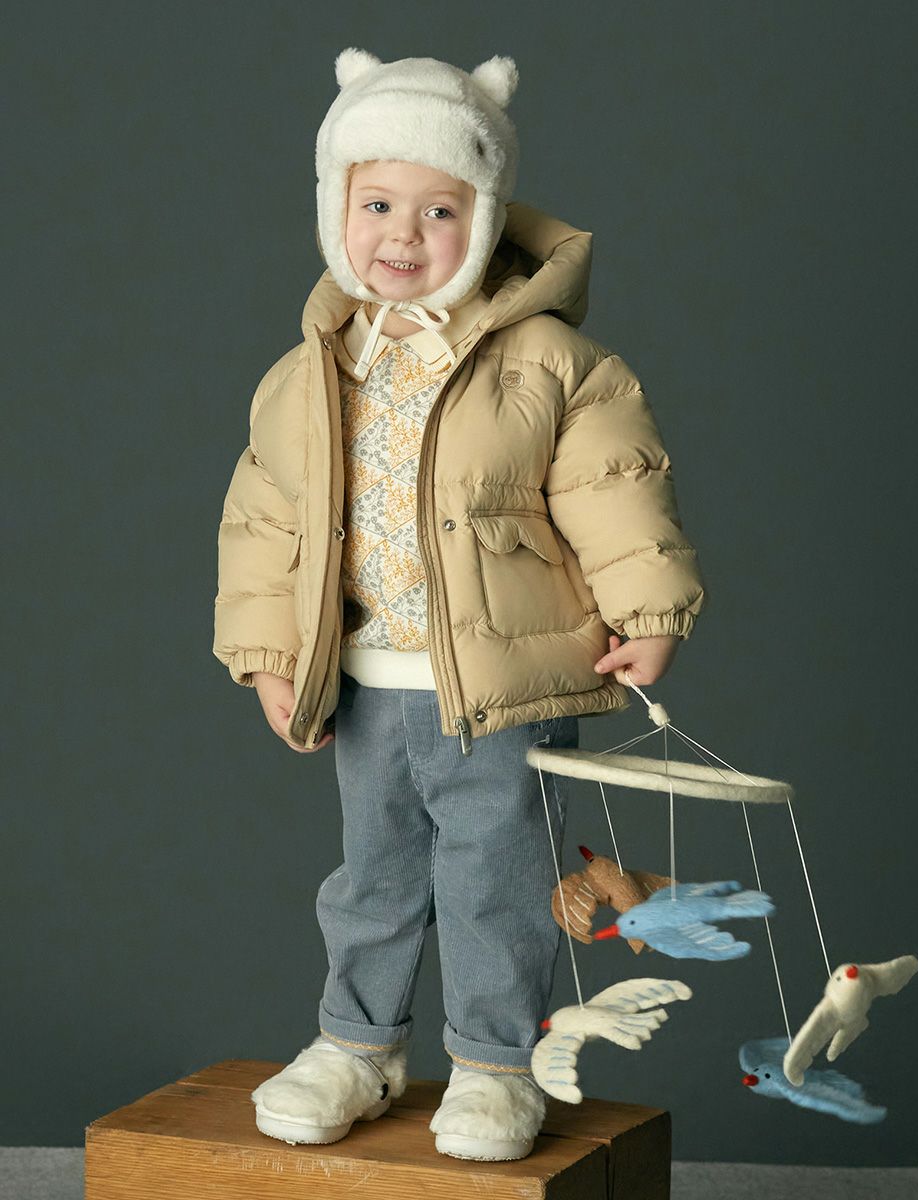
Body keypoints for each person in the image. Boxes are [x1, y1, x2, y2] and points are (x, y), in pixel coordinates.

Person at [212, 47, 707, 1162]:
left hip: (502, 682)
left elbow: (615, 488)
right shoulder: (310, 374)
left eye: (438, 209)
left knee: (500, 879)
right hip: (368, 682)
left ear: (483, 220)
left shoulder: (549, 362)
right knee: (372, 876)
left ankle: (495, 1064)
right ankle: (357, 1044)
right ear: (336, 211)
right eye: (377, 204)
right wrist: (266, 652)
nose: (403, 233)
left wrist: (649, 611)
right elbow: (265, 521)